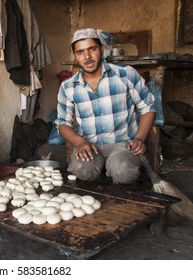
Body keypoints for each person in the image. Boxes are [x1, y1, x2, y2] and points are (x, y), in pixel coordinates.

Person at [55, 28, 156, 185]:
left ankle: (114, 170)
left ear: (101, 49)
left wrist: (139, 139)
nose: (87, 57)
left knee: (124, 172)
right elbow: (62, 124)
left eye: (92, 49)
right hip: (89, 145)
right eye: (80, 52)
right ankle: (100, 169)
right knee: (82, 170)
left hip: (123, 144)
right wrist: (80, 142)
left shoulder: (125, 75)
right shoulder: (68, 87)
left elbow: (148, 108)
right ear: (75, 56)